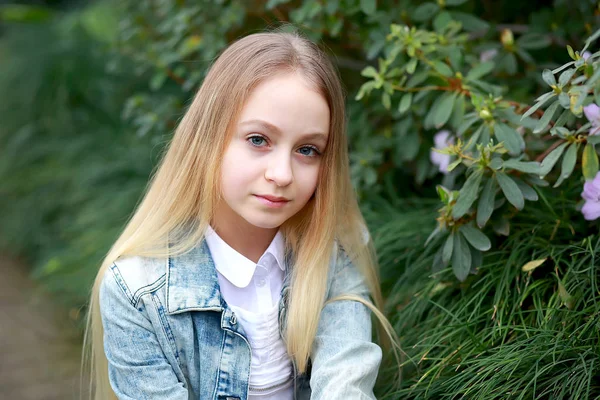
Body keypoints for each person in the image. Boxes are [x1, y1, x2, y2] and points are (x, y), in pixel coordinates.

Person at [83, 29, 399, 400]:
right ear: (208, 137)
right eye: (258, 140)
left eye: (308, 149)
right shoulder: (135, 290)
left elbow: (345, 387)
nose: (281, 174)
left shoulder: (334, 257)